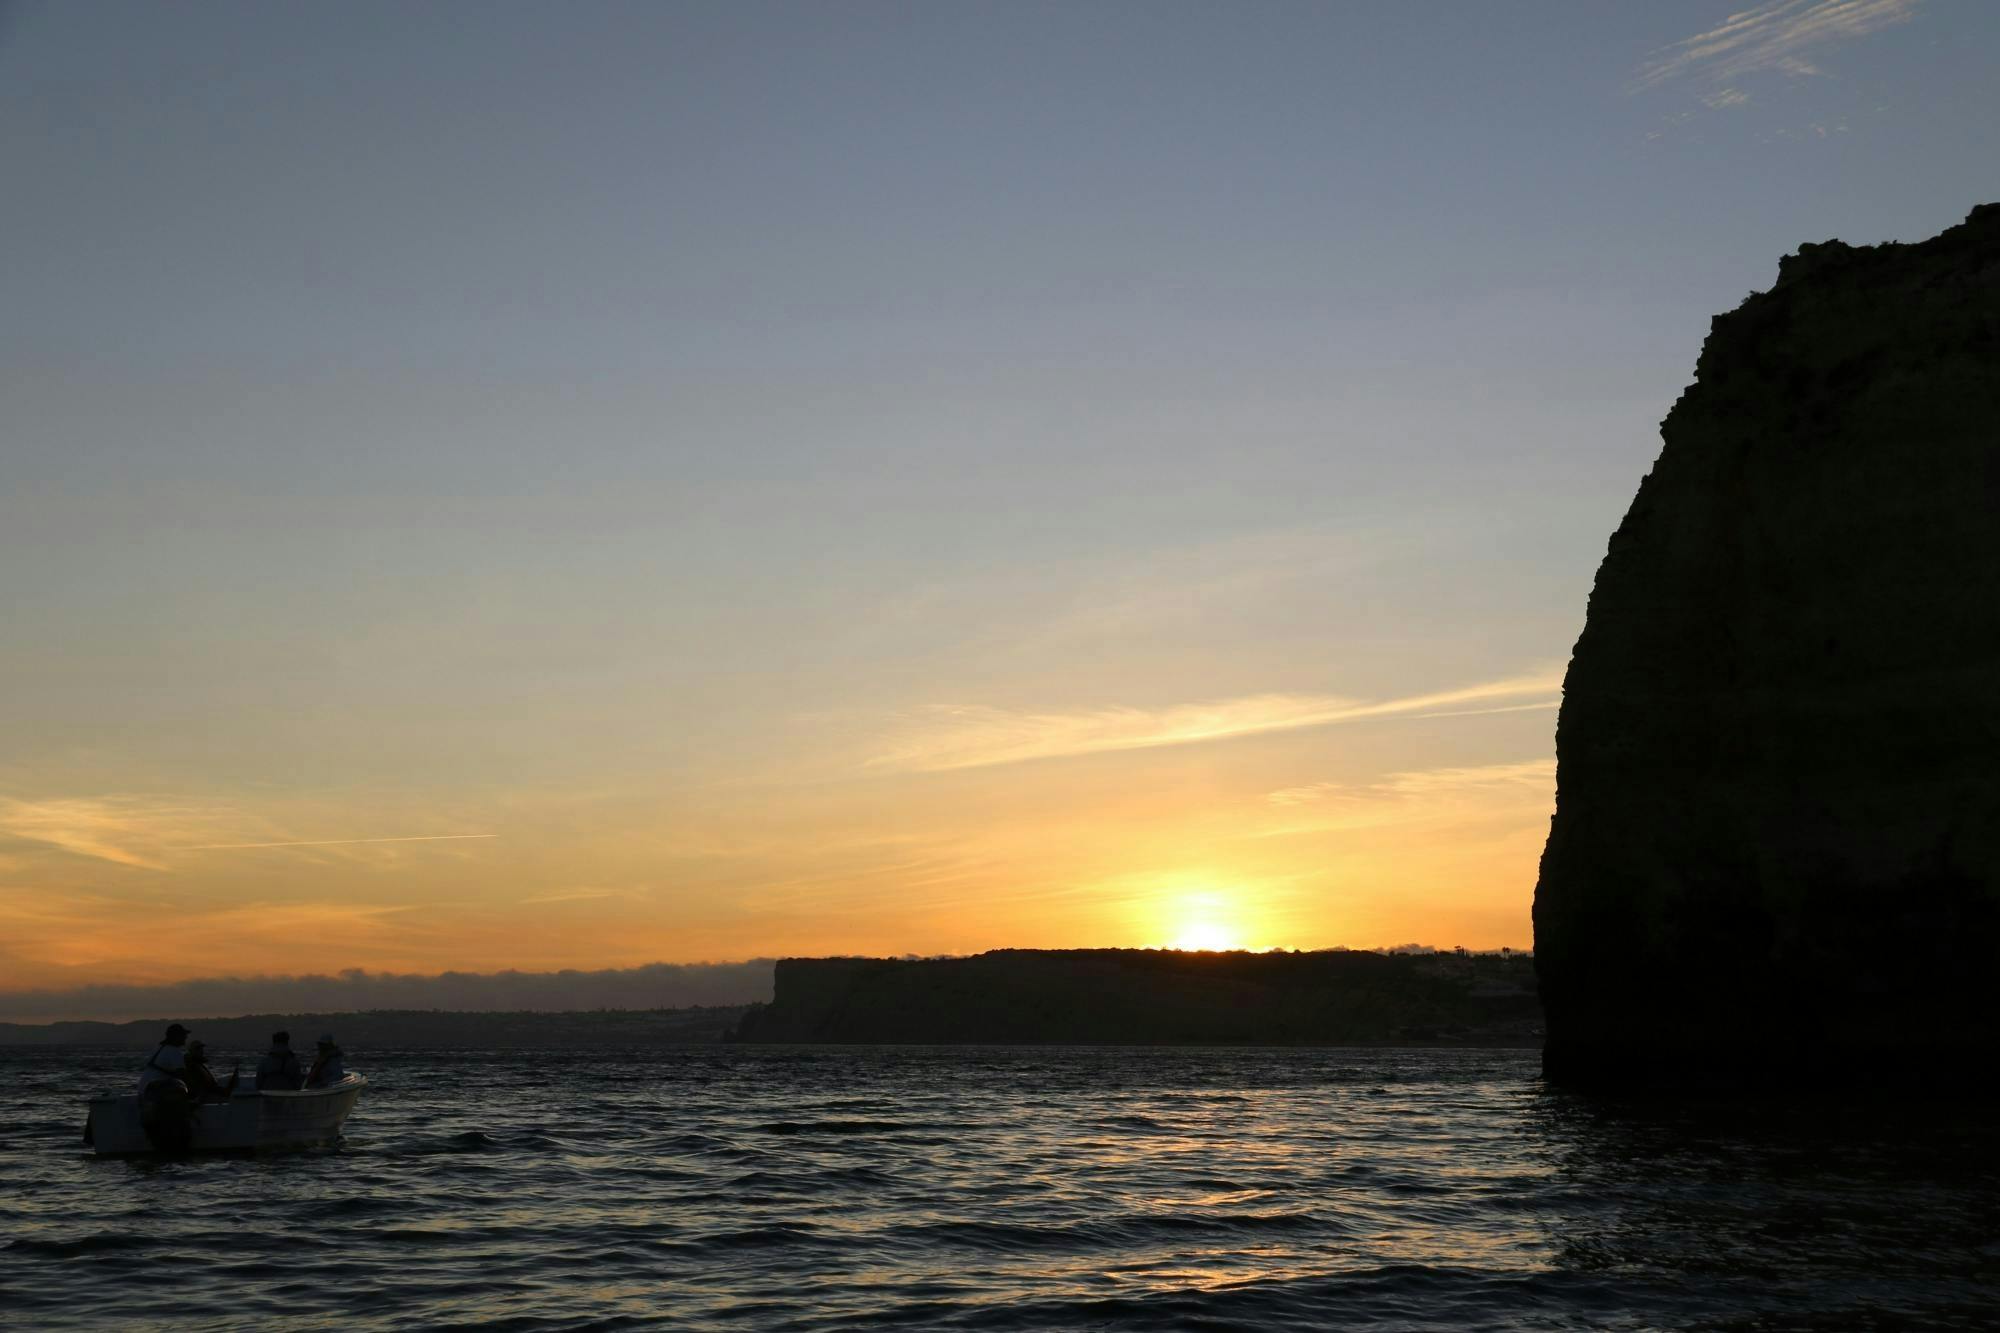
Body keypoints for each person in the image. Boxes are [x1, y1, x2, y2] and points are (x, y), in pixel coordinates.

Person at [137, 1023, 190, 1095]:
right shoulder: (174, 1051)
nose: (186, 1037)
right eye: (183, 1035)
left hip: (142, 1089)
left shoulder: (158, 1047)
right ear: (176, 1037)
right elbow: (183, 1076)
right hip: (154, 1093)